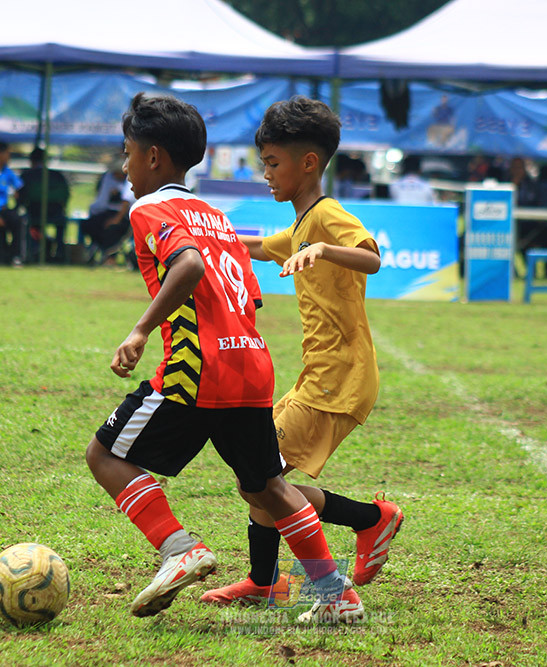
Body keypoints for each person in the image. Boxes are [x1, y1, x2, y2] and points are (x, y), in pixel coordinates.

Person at [84, 92, 363, 624]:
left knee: (105, 456)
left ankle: (178, 548)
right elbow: (247, 299)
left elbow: (186, 266)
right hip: (253, 366)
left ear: (154, 157)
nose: (124, 167)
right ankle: (334, 592)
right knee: (267, 486)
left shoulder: (151, 208)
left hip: (197, 370)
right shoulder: (215, 215)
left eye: (127, 154)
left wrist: (141, 329)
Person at [200, 96, 402, 608]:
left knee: (261, 480)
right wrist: (206, 232)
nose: (265, 174)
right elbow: (252, 245)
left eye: (272, 163)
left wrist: (323, 250)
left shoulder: (327, 216)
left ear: (307, 162)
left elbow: (370, 257)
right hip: (320, 376)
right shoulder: (299, 223)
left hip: (338, 379)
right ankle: (266, 583)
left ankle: (369, 520)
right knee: (258, 480)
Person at [18, 147, 70, 263]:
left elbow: (21, 198)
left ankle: (32, 250)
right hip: (56, 213)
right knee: (60, 222)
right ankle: (60, 251)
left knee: (25, 220)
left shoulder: (27, 176)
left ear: (31, 161)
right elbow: (66, 195)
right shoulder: (58, 175)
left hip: (34, 213)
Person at [80, 162, 135, 263]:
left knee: (112, 229)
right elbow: (102, 200)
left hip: (125, 216)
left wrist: (116, 220)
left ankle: (110, 257)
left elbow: (126, 201)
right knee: (89, 225)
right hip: (108, 212)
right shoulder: (109, 179)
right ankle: (98, 252)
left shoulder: (131, 180)